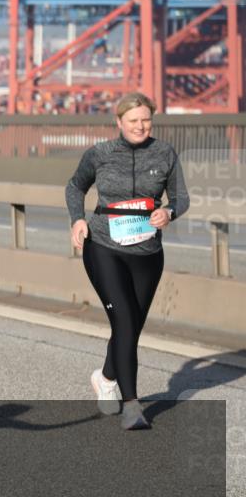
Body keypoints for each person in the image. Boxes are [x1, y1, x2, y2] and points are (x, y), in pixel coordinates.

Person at [66, 92, 189, 430]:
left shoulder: (164, 153)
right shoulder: (100, 154)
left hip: (148, 252)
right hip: (104, 246)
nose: (140, 126)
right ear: (119, 122)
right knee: (123, 321)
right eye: (133, 120)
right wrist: (78, 219)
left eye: (146, 120)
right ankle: (132, 406)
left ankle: (105, 378)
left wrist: (169, 211)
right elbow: (75, 187)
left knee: (131, 326)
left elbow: (181, 197)